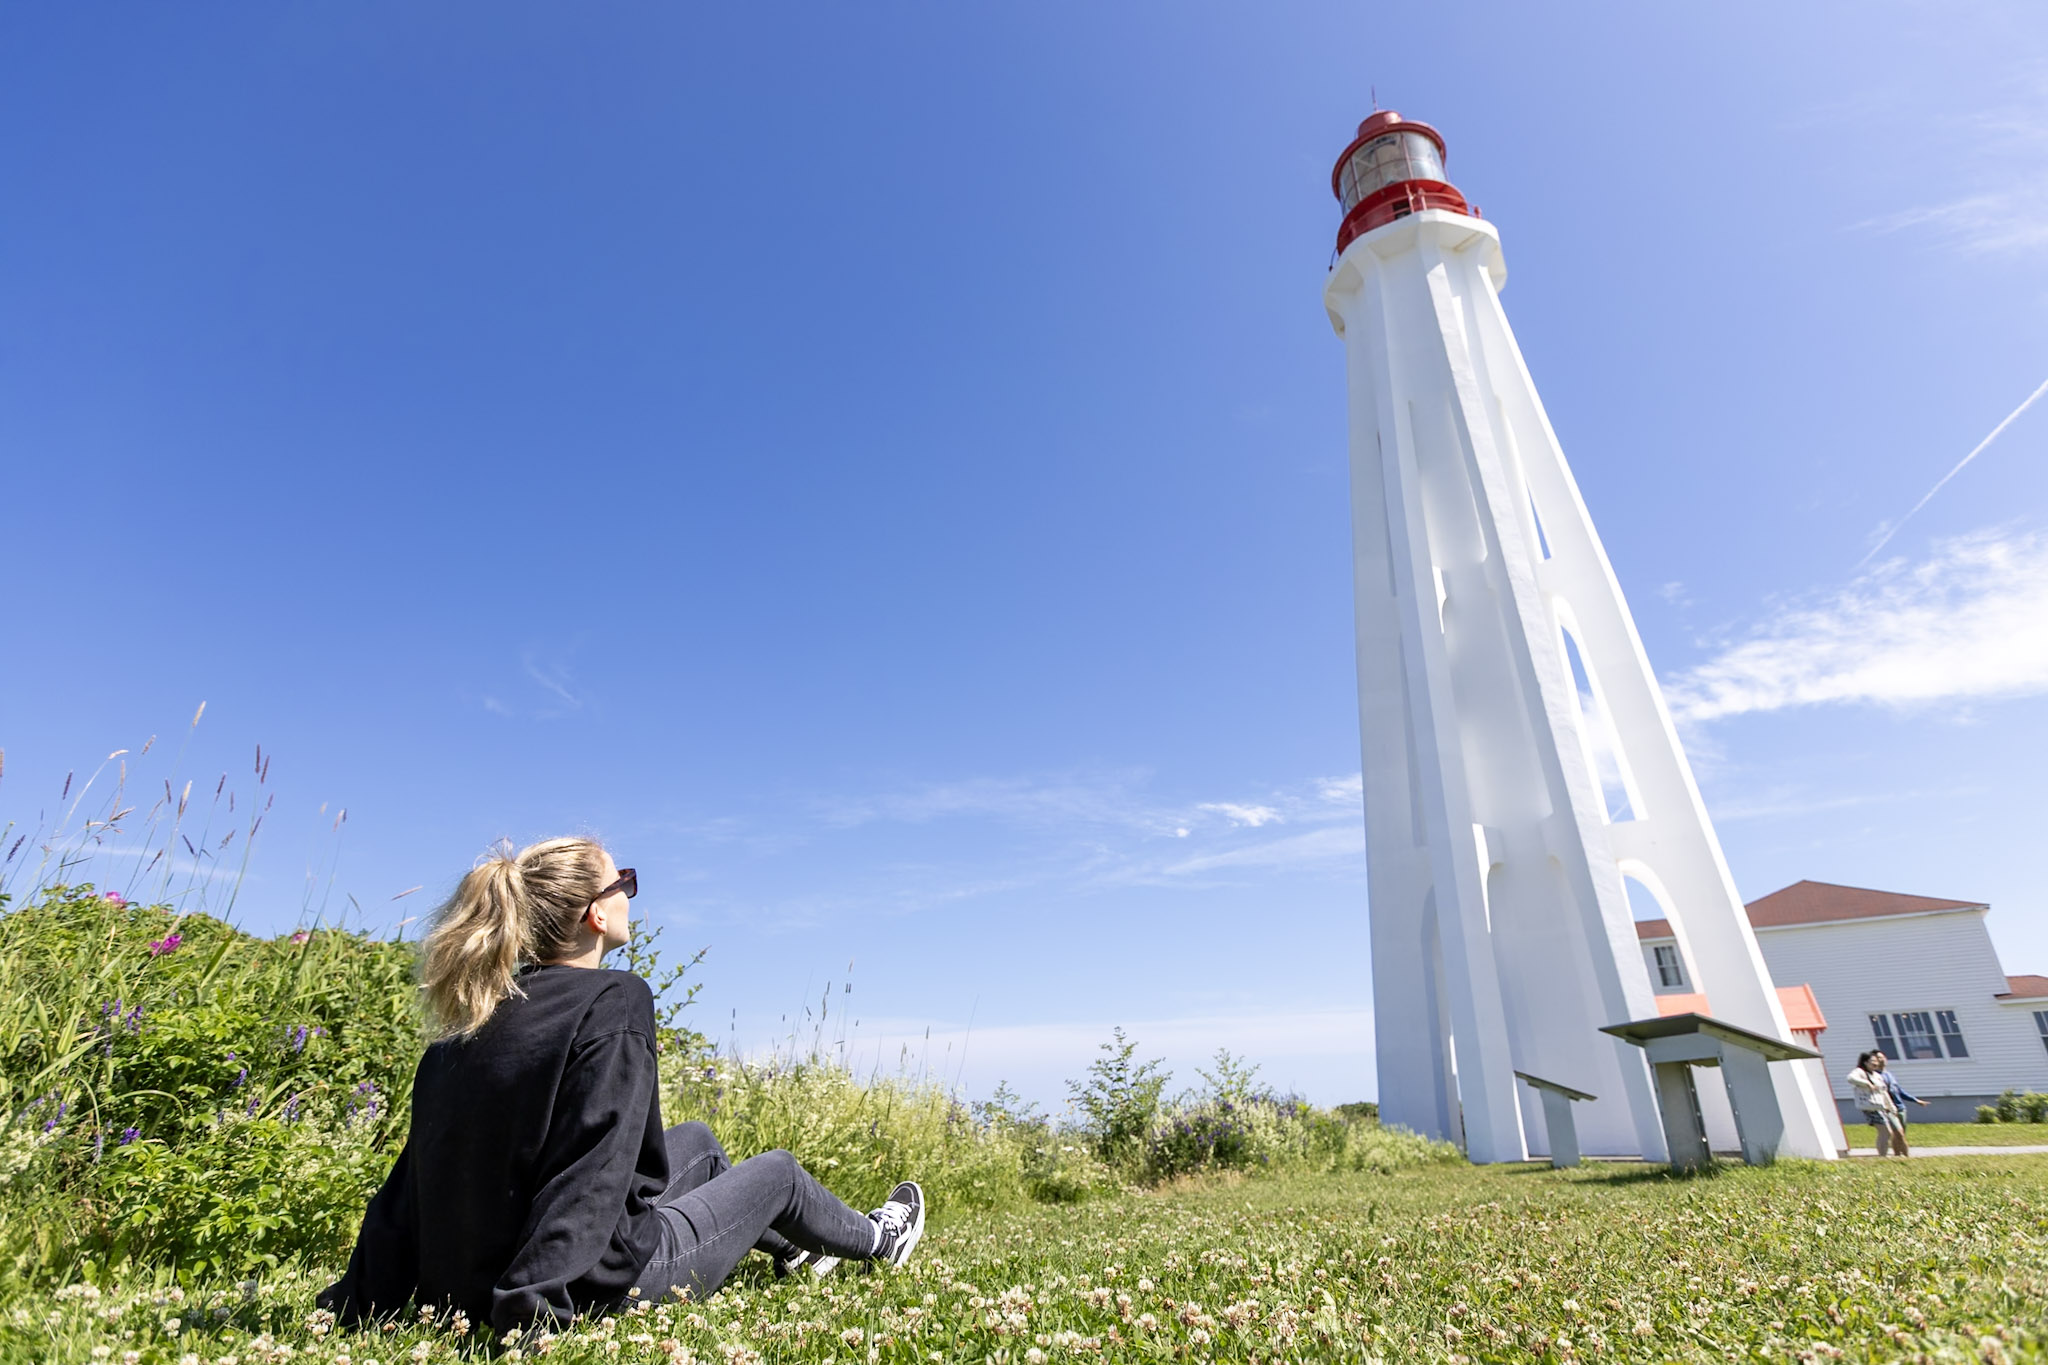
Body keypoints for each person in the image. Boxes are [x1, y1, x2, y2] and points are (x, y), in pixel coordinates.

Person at [319, 838, 924, 1334]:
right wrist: (534, 1308)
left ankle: (797, 1249)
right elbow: (595, 1162)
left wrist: (361, 1298)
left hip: (462, 1283)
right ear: (596, 914)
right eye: (623, 883)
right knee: (781, 1174)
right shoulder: (613, 1000)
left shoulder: (468, 1024)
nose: (630, 896)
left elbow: (413, 1184)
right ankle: (879, 1239)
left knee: (698, 1142)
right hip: (593, 1282)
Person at [1846, 1050, 1907, 1158]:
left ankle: (1883, 1155)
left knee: (1887, 1132)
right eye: (1872, 1061)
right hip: (1869, 1107)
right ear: (1865, 1062)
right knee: (1885, 1132)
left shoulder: (1877, 1076)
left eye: (1876, 1061)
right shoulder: (1860, 1072)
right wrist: (1867, 1083)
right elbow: (1850, 1078)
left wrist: (1891, 1107)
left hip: (1880, 1107)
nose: (1875, 1063)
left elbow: (1884, 1093)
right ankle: (1882, 1156)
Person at [1871, 1051, 1930, 1131]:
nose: (1882, 1059)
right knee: (1896, 1132)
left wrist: (1916, 1100)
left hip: (1900, 1108)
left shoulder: (1889, 1075)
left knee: (1901, 1134)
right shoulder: (1874, 1076)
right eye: (1879, 1058)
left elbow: (1898, 1091)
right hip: (1888, 1109)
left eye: (1883, 1057)